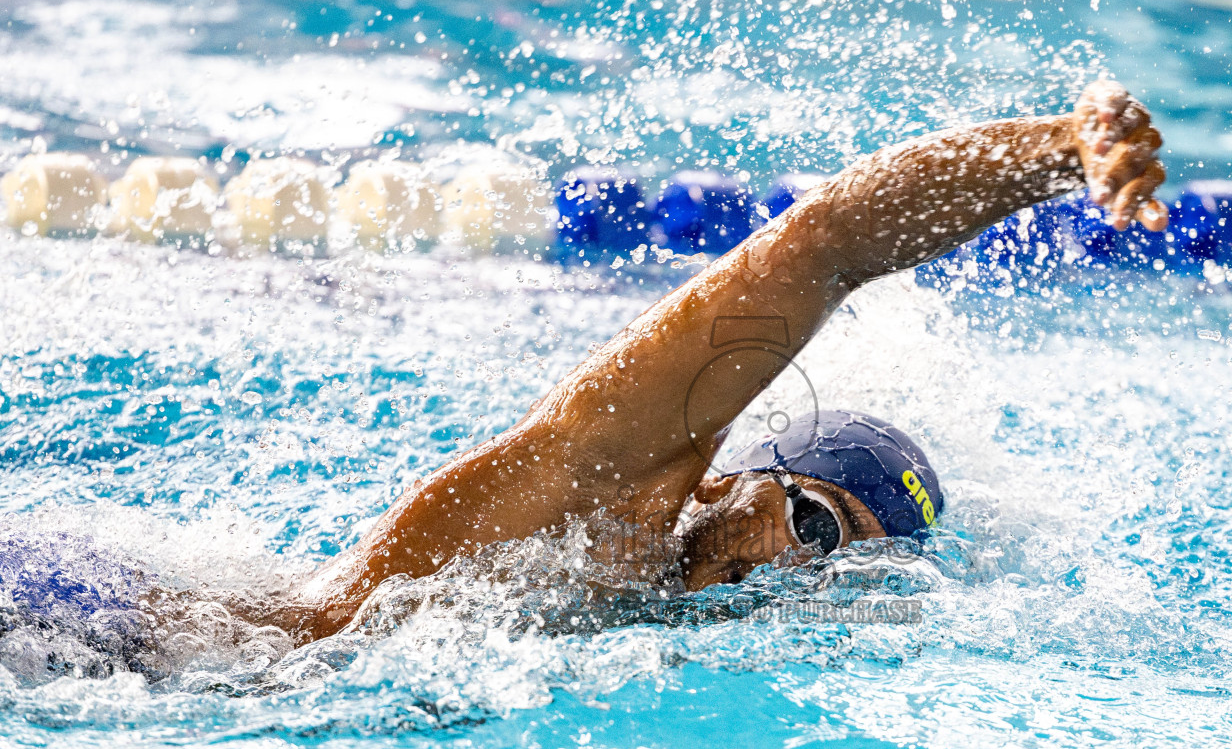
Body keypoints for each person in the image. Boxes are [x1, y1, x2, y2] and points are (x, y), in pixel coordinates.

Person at [269, 80, 1167, 642]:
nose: (805, 575)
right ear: (723, 481)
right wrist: (1052, 154)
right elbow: (827, 245)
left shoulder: (650, 625)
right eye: (815, 526)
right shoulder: (604, 491)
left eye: (849, 576)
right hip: (172, 649)